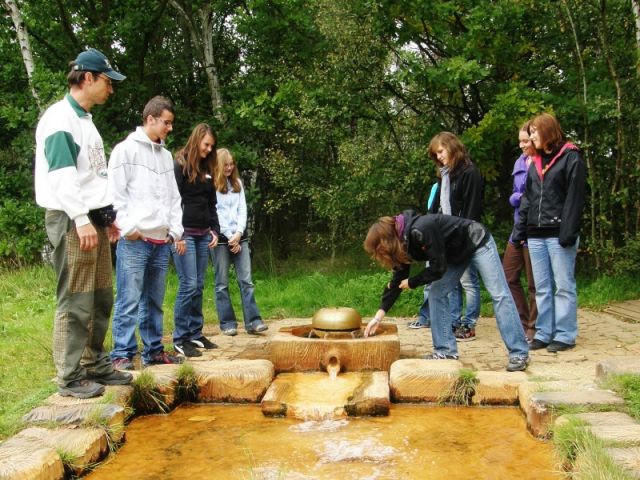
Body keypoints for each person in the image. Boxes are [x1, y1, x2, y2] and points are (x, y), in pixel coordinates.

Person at [34, 48, 132, 398]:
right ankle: (69, 374)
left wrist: (108, 218)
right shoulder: (60, 119)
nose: (111, 89)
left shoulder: (87, 121)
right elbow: (62, 177)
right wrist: (79, 218)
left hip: (94, 219)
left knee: (102, 295)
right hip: (71, 217)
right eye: (107, 81)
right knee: (75, 298)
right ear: (87, 78)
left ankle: (95, 362)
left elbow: (94, 176)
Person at [363, 211, 529, 372]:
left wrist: (413, 282)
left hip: (477, 240)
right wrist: (378, 317)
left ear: (385, 243)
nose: (380, 256)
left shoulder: (420, 229)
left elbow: (438, 268)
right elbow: (397, 282)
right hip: (455, 255)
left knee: (499, 294)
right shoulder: (402, 244)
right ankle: (446, 351)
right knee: (436, 293)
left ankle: (519, 353)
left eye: (379, 251)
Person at [108, 96, 185, 369]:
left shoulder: (165, 156)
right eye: (166, 122)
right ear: (150, 119)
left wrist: (174, 231)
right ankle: (121, 354)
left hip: (161, 241)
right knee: (128, 299)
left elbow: (173, 198)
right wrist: (128, 229)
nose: (170, 128)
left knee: (154, 301)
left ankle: (153, 351)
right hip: (135, 240)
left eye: (171, 123)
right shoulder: (124, 151)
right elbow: (115, 196)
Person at [513, 113, 586, 353]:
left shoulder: (571, 157)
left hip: (559, 234)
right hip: (535, 234)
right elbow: (528, 199)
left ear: (548, 131)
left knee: (563, 286)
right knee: (541, 287)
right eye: (530, 132)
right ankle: (543, 333)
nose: (531, 136)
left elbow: (575, 198)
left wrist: (568, 232)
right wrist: (520, 230)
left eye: (534, 131)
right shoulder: (534, 161)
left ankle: (565, 334)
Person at [417, 132, 483, 341]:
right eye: (435, 154)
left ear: (452, 147)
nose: (439, 158)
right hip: (446, 236)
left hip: (465, 235)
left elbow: (472, 210)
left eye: (441, 152)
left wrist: (465, 239)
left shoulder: (470, 172)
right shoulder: (445, 175)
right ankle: (453, 321)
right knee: (450, 282)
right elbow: (438, 208)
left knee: (469, 282)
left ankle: (469, 324)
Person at [171, 124, 220, 357]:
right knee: (188, 285)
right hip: (184, 234)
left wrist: (215, 230)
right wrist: (176, 232)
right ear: (197, 140)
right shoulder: (179, 164)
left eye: (212, 146)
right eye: (206, 145)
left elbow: (212, 204)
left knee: (199, 285)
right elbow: (172, 200)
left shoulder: (208, 168)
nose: (209, 149)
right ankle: (180, 338)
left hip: (203, 234)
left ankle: (195, 333)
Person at [211, 148, 267, 336]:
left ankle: (253, 321)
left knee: (247, 281)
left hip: (240, 238)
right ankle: (227, 323)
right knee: (222, 283)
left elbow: (243, 210)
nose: (229, 167)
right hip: (220, 240)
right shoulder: (211, 186)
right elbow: (216, 212)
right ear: (218, 165)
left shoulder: (238, 184)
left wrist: (239, 232)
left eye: (231, 164)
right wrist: (228, 235)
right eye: (225, 165)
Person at [503, 122, 538, 342]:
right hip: (517, 227)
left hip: (534, 229)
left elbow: (532, 196)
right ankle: (522, 321)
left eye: (526, 141)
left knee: (535, 283)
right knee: (509, 276)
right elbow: (517, 194)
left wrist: (520, 197)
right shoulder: (519, 161)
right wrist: (516, 197)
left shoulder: (541, 162)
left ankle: (534, 328)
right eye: (520, 141)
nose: (522, 145)